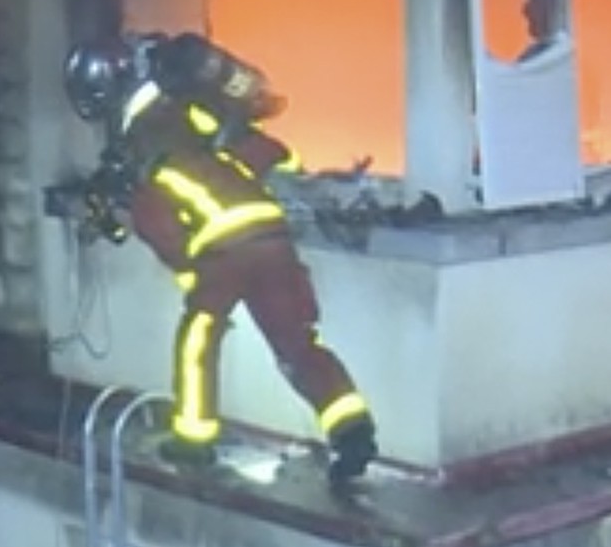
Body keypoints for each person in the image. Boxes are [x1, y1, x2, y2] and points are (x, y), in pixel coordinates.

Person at [62, 34, 378, 482]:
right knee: (297, 345)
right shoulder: (190, 108)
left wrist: (188, 273)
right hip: (271, 232)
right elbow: (260, 150)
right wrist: (303, 175)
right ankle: (351, 430)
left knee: (198, 337)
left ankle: (193, 439)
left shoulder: (141, 142)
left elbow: (158, 222)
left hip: (225, 244)